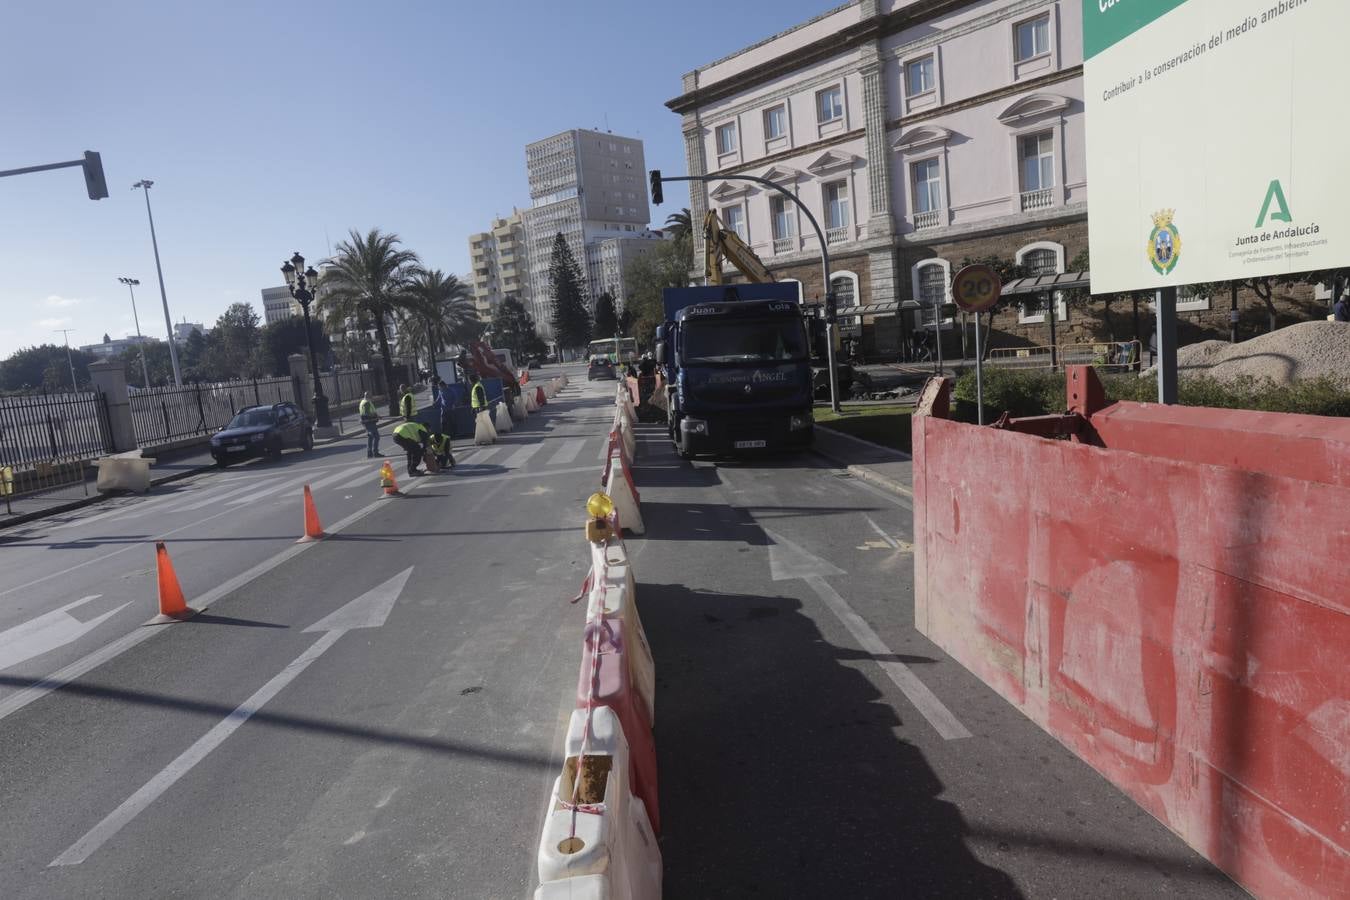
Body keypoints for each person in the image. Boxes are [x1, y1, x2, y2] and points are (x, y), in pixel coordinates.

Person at [358, 391, 381, 458]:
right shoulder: (367, 403)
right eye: (371, 395)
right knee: (376, 437)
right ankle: (375, 452)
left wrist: (377, 415)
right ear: (368, 396)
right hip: (370, 422)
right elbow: (367, 413)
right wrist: (376, 416)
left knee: (370, 437)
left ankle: (369, 453)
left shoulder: (362, 402)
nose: (372, 396)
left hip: (366, 422)